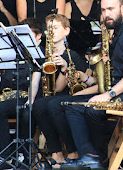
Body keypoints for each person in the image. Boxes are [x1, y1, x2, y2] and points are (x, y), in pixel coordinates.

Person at [61, 0, 123, 169]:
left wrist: (108, 94)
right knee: (72, 107)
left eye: (111, 9)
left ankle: (102, 158)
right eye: (103, 10)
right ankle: (90, 155)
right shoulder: (119, 31)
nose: (106, 15)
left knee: (93, 110)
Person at [31, 14, 86, 169]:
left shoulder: (72, 55)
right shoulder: (42, 54)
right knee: (39, 105)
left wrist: (64, 67)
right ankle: (56, 153)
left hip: (67, 94)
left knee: (51, 105)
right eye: (48, 29)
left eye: (55, 28)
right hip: (47, 97)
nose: (51, 32)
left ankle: (72, 151)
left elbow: (61, 88)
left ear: (66, 31)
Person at [0, 18, 42, 167]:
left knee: (25, 112)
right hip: (11, 97)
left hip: (30, 97)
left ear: (38, 36)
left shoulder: (39, 54)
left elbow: (36, 77)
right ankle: (6, 155)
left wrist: (30, 98)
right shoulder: (11, 53)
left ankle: (22, 155)